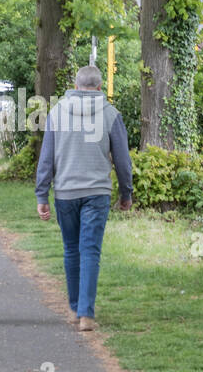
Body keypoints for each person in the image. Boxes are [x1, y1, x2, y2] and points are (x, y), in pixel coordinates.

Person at [34, 65, 133, 332]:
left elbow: (46, 159)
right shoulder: (111, 115)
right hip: (97, 193)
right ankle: (86, 314)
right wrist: (126, 193)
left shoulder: (56, 113)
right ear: (100, 88)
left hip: (65, 192)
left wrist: (42, 194)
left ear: (76, 86)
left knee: (71, 249)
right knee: (90, 250)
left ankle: (75, 308)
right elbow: (123, 161)